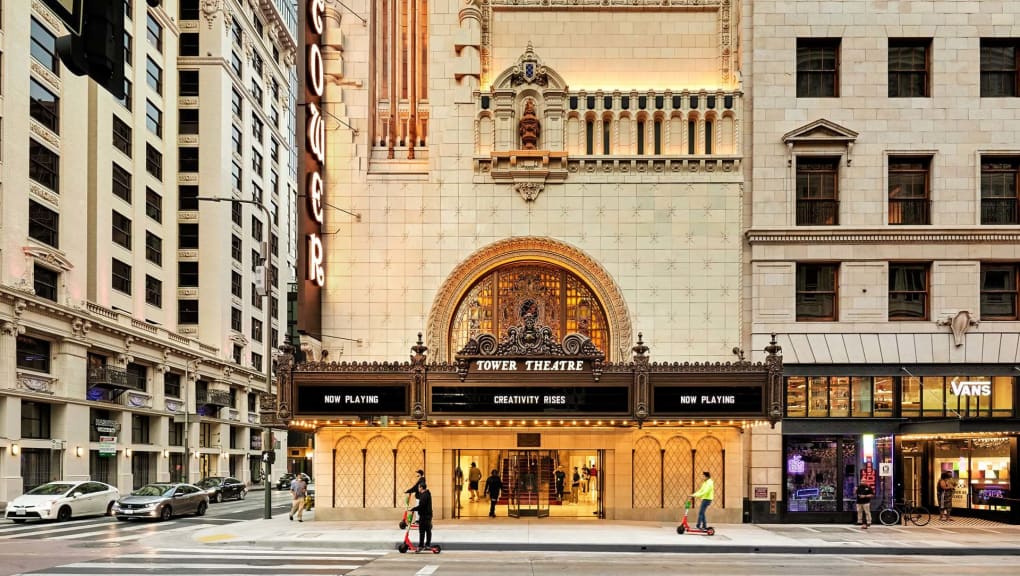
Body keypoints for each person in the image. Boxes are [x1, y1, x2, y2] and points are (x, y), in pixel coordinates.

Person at [410, 482, 433, 550]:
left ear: (421, 488)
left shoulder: (424, 495)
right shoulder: (425, 494)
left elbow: (421, 506)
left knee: (422, 530)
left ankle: (421, 545)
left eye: (418, 487)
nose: (418, 488)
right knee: (427, 530)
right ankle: (427, 544)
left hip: (425, 516)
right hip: (427, 515)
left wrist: (414, 509)